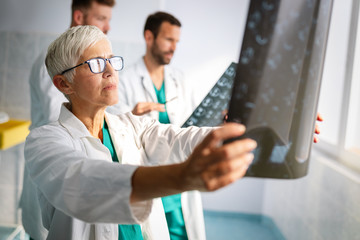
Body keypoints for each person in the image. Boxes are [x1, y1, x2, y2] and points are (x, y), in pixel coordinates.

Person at [24, 25, 257, 240]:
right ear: (64, 84)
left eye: (112, 61)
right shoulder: (44, 141)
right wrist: (183, 177)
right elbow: (81, 183)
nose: (110, 71)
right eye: (95, 63)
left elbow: (178, 139)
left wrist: (231, 132)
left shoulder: (132, 126)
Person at [21, 1, 115, 239]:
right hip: (55, 168)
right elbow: (66, 118)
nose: (108, 27)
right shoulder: (53, 65)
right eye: (101, 18)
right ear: (79, 16)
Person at [108, 11, 203, 240]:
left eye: (177, 41)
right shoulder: (125, 80)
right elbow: (112, 127)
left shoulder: (179, 79)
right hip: (149, 176)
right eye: (169, 39)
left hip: (180, 177)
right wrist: (131, 114)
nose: (174, 47)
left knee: (182, 233)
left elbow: (191, 125)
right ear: (149, 37)